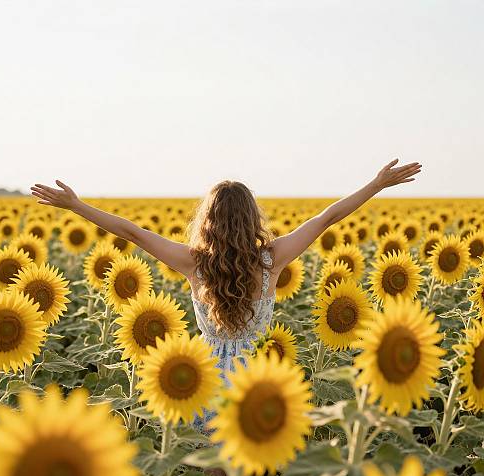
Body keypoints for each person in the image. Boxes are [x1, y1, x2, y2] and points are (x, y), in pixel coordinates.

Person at [31, 158, 421, 430]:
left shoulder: (193, 263)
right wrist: (376, 185)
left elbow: (131, 232)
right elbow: (327, 218)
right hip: (259, 376)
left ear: (208, 221)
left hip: (206, 382)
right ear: (253, 218)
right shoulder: (274, 259)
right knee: (253, 472)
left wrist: (76, 206)